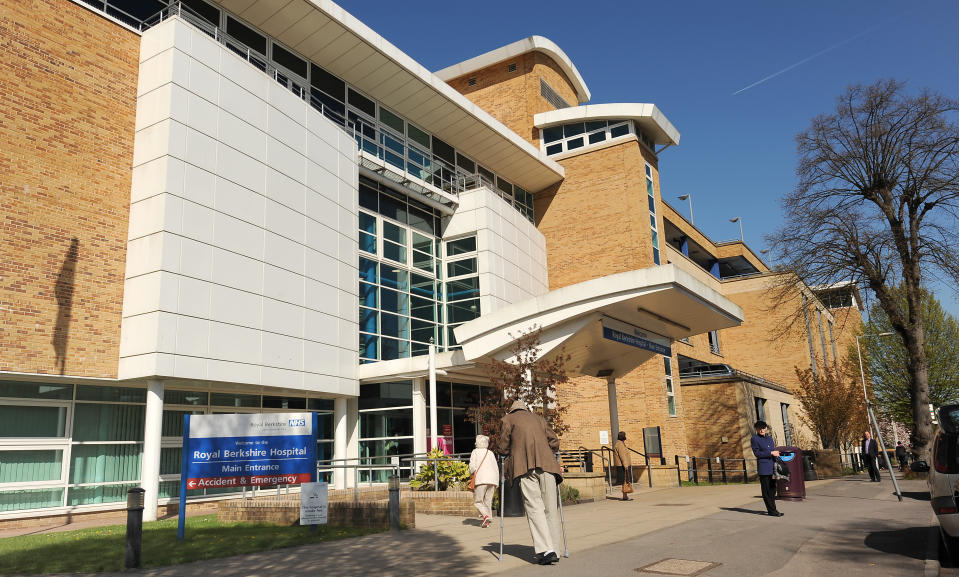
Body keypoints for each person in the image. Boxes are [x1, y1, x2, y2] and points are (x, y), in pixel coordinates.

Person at [497, 400, 563, 565]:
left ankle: (546, 550)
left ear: (511, 410)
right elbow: (554, 441)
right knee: (550, 509)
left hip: (524, 467)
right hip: (548, 466)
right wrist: (548, 452)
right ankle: (555, 548)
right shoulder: (539, 418)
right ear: (525, 408)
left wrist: (506, 454)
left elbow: (503, 446)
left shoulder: (508, 419)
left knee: (535, 508)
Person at [750, 420, 783, 517]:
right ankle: (772, 510)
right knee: (766, 491)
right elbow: (757, 454)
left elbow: (773, 451)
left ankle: (772, 509)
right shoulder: (755, 439)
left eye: (763, 428)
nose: (762, 430)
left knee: (773, 489)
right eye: (760, 428)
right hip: (764, 468)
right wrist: (770, 453)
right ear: (756, 429)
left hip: (772, 467)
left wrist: (777, 456)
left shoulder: (770, 438)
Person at [469, 434, 498, 528]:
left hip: (481, 479)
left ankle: (486, 516)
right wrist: (496, 481)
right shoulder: (490, 453)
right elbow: (495, 467)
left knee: (478, 501)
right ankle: (487, 522)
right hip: (492, 480)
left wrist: (471, 473)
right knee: (487, 502)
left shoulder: (475, 452)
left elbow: (472, 467)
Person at [613, 431, 632, 501]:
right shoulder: (620, 444)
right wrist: (626, 465)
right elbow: (622, 455)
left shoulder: (620, 443)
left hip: (622, 465)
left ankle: (625, 496)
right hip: (622, 466)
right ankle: (625, 496)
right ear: (623, 437)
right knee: (625, 480)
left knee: (625, 481)